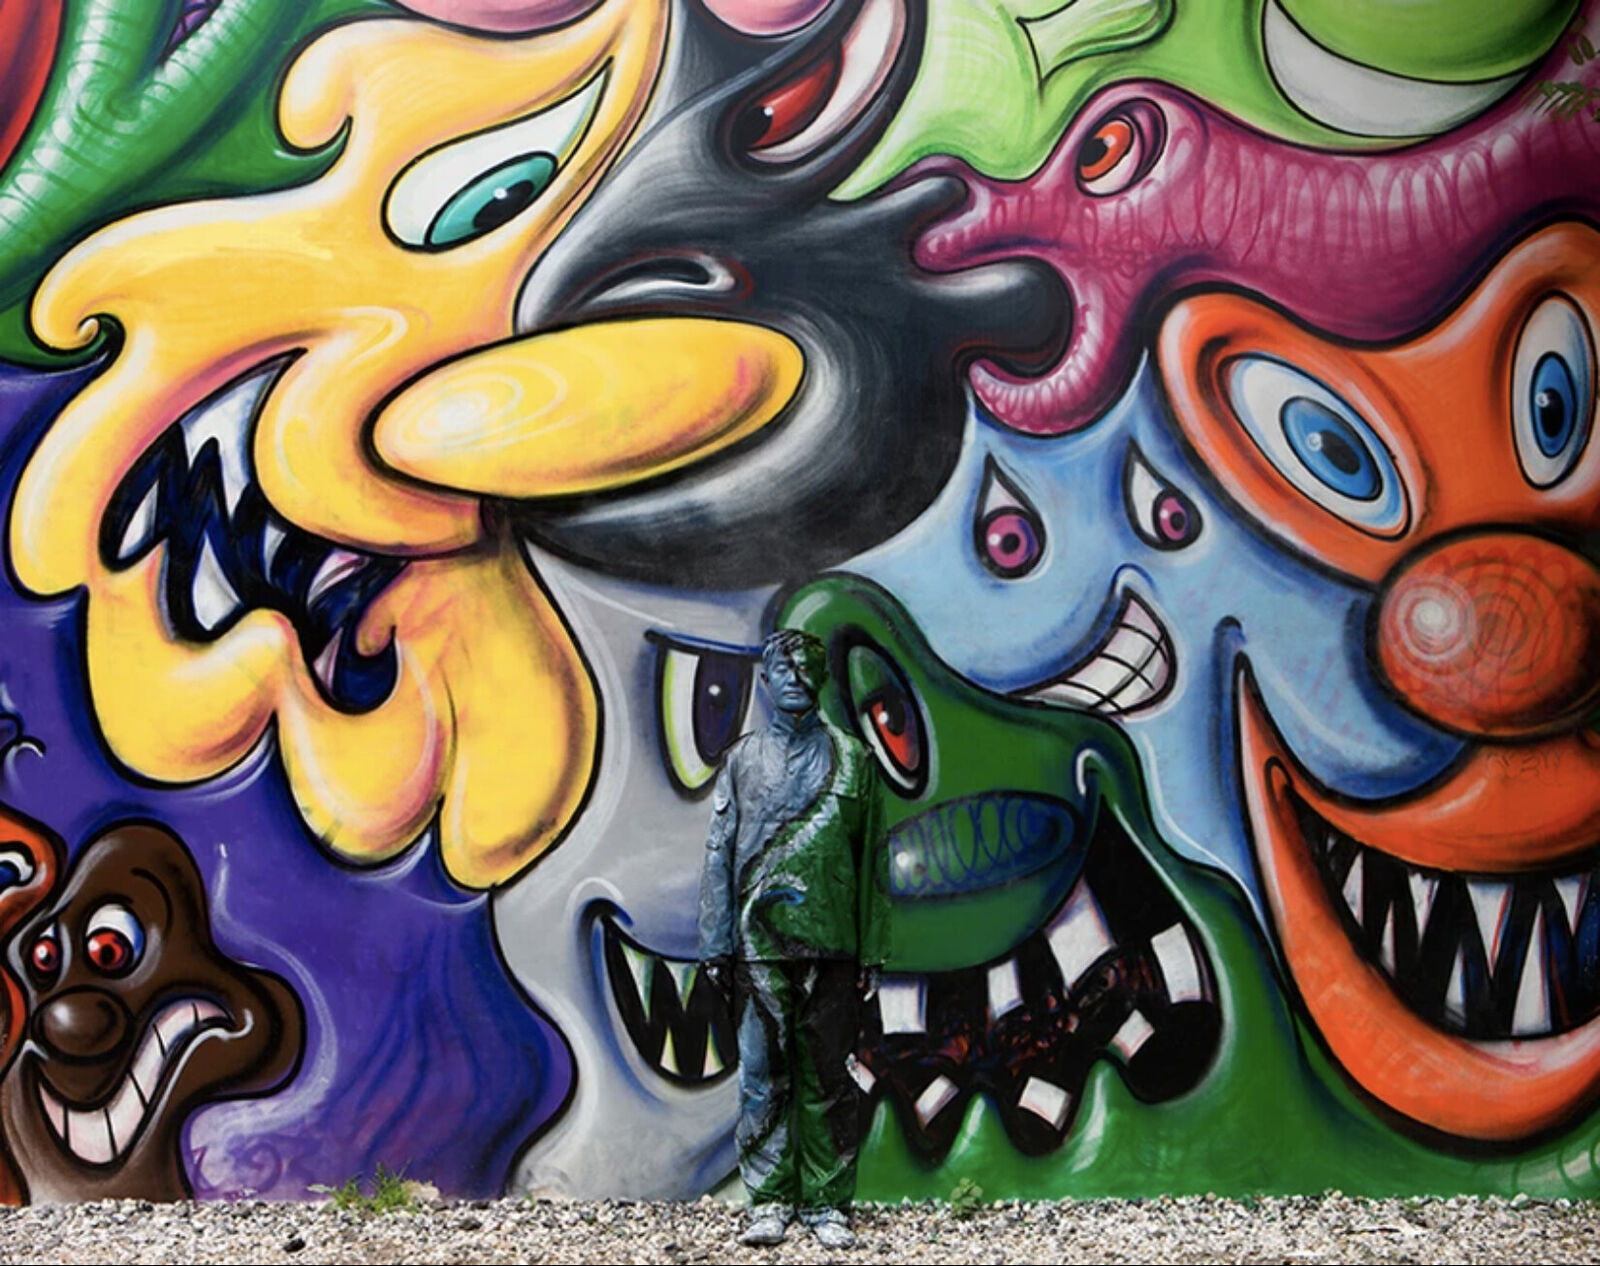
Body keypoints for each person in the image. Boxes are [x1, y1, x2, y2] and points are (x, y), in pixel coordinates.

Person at [698, 628, 889, 1249]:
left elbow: (873, 861)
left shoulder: (855, 760)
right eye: (782, 668)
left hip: (833, 946)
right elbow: (718, 854)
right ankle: (770, 1202)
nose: (795, 679)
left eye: (806, 668)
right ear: (764, 678)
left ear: (822, 679)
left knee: (829, 1078)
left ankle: (829, 1204)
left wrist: (874, 949)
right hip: (758, 949)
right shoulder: (742, 762)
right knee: (761, 1077)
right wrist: (715, 943)